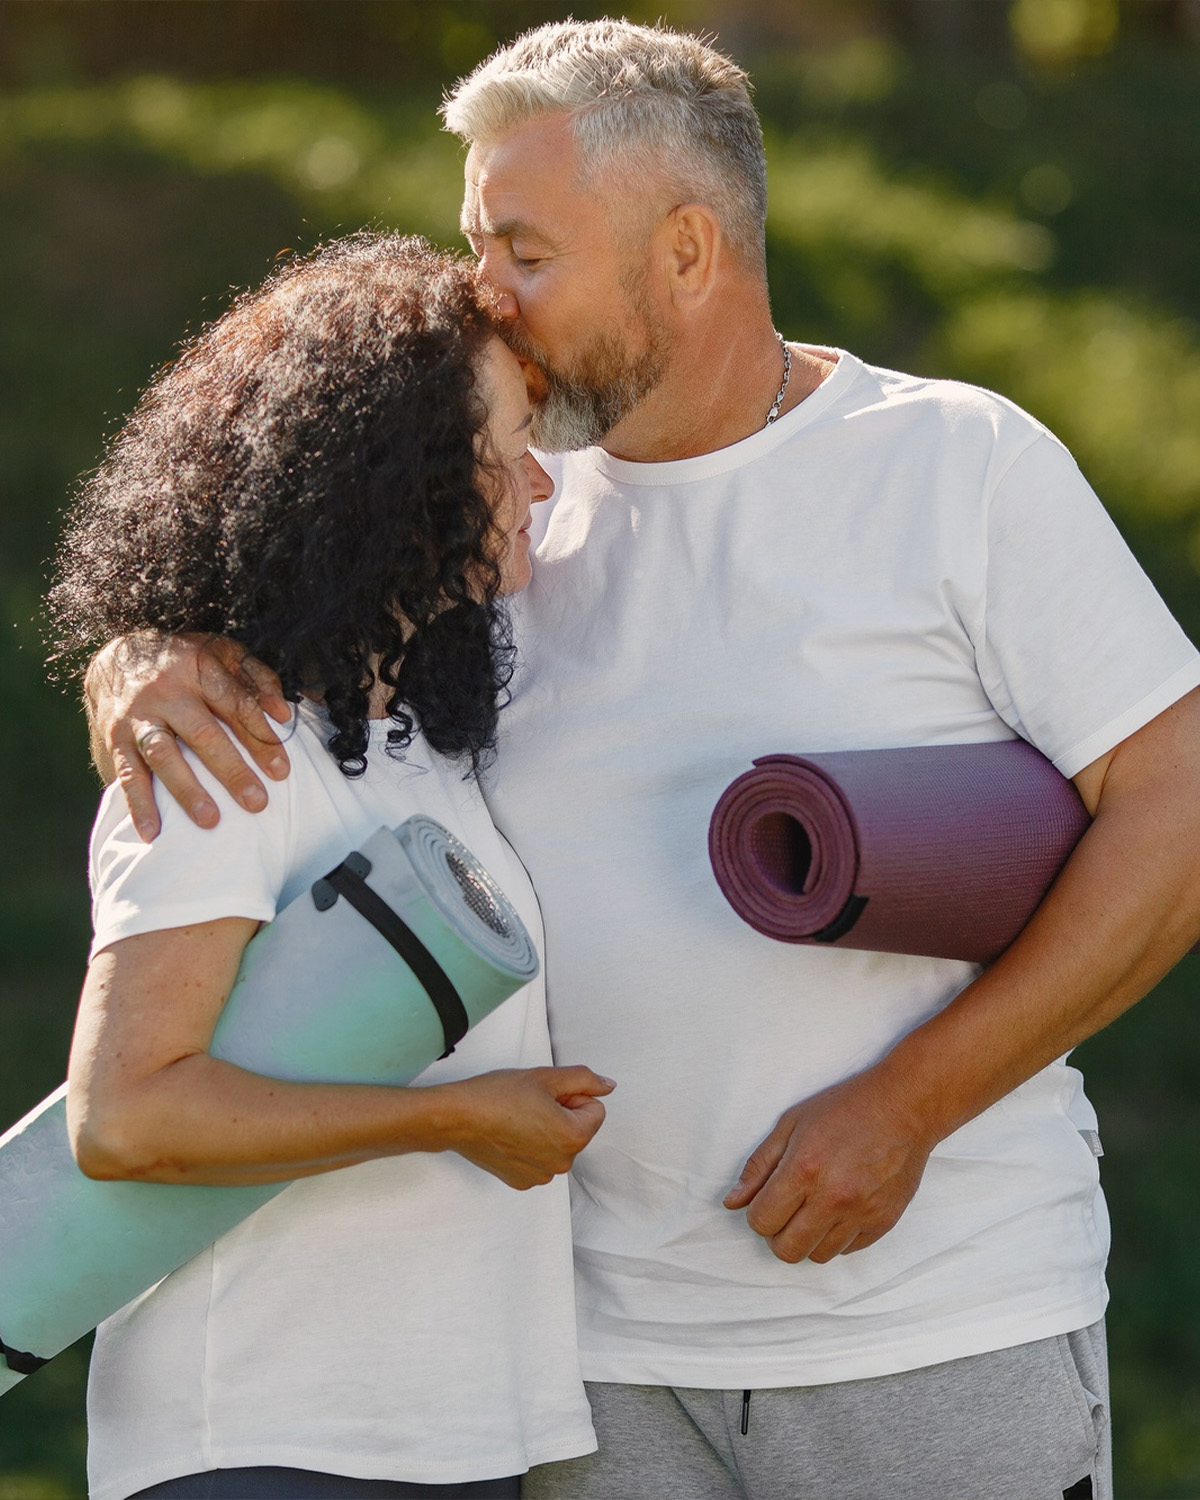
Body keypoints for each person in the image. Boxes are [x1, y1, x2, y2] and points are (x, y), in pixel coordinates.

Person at [83, 20, 1200, 1500]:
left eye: (525, 252)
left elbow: (1176, 811)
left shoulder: (957, 465)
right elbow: (293, 680)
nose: (483, 294)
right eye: (477, 241)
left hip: (931, 1321)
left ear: (686, 250)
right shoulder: (495, 515)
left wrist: (913, 1102)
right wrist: (144, 650)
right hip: (587, 1370)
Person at [47, 232, 614, 1500]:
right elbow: (128, 1116)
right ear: (388, 474)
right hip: (266, 1439)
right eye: (510, 440)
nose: (540, 481)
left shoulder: (424, 747)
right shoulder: (223, 751)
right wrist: (453, 1119)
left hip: (454, 1437)